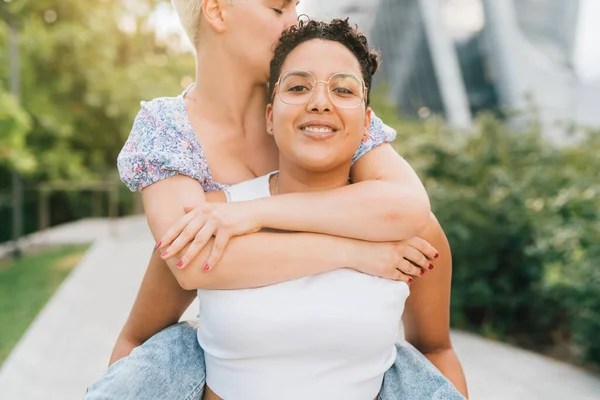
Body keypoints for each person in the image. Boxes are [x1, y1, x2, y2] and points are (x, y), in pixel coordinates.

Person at [83, 0, 468, 398]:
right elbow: (193, 261)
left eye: (341, 90)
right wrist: (359, 254)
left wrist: (245, 215)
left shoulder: (327, 116)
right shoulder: (170, 129)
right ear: (215, 10)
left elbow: (408, 207)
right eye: (277, 8)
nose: (294, 22)